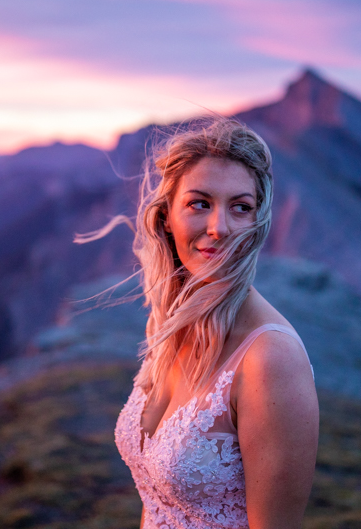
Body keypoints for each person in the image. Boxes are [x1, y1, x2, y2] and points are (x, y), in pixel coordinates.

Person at [79, 118, 318, 528]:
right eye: (200, 203)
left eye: (240, 208)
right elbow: (156, 501)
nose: (219, 228)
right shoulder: (170, 324)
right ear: (167, 216)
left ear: (257, 224)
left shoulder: (271, 359)